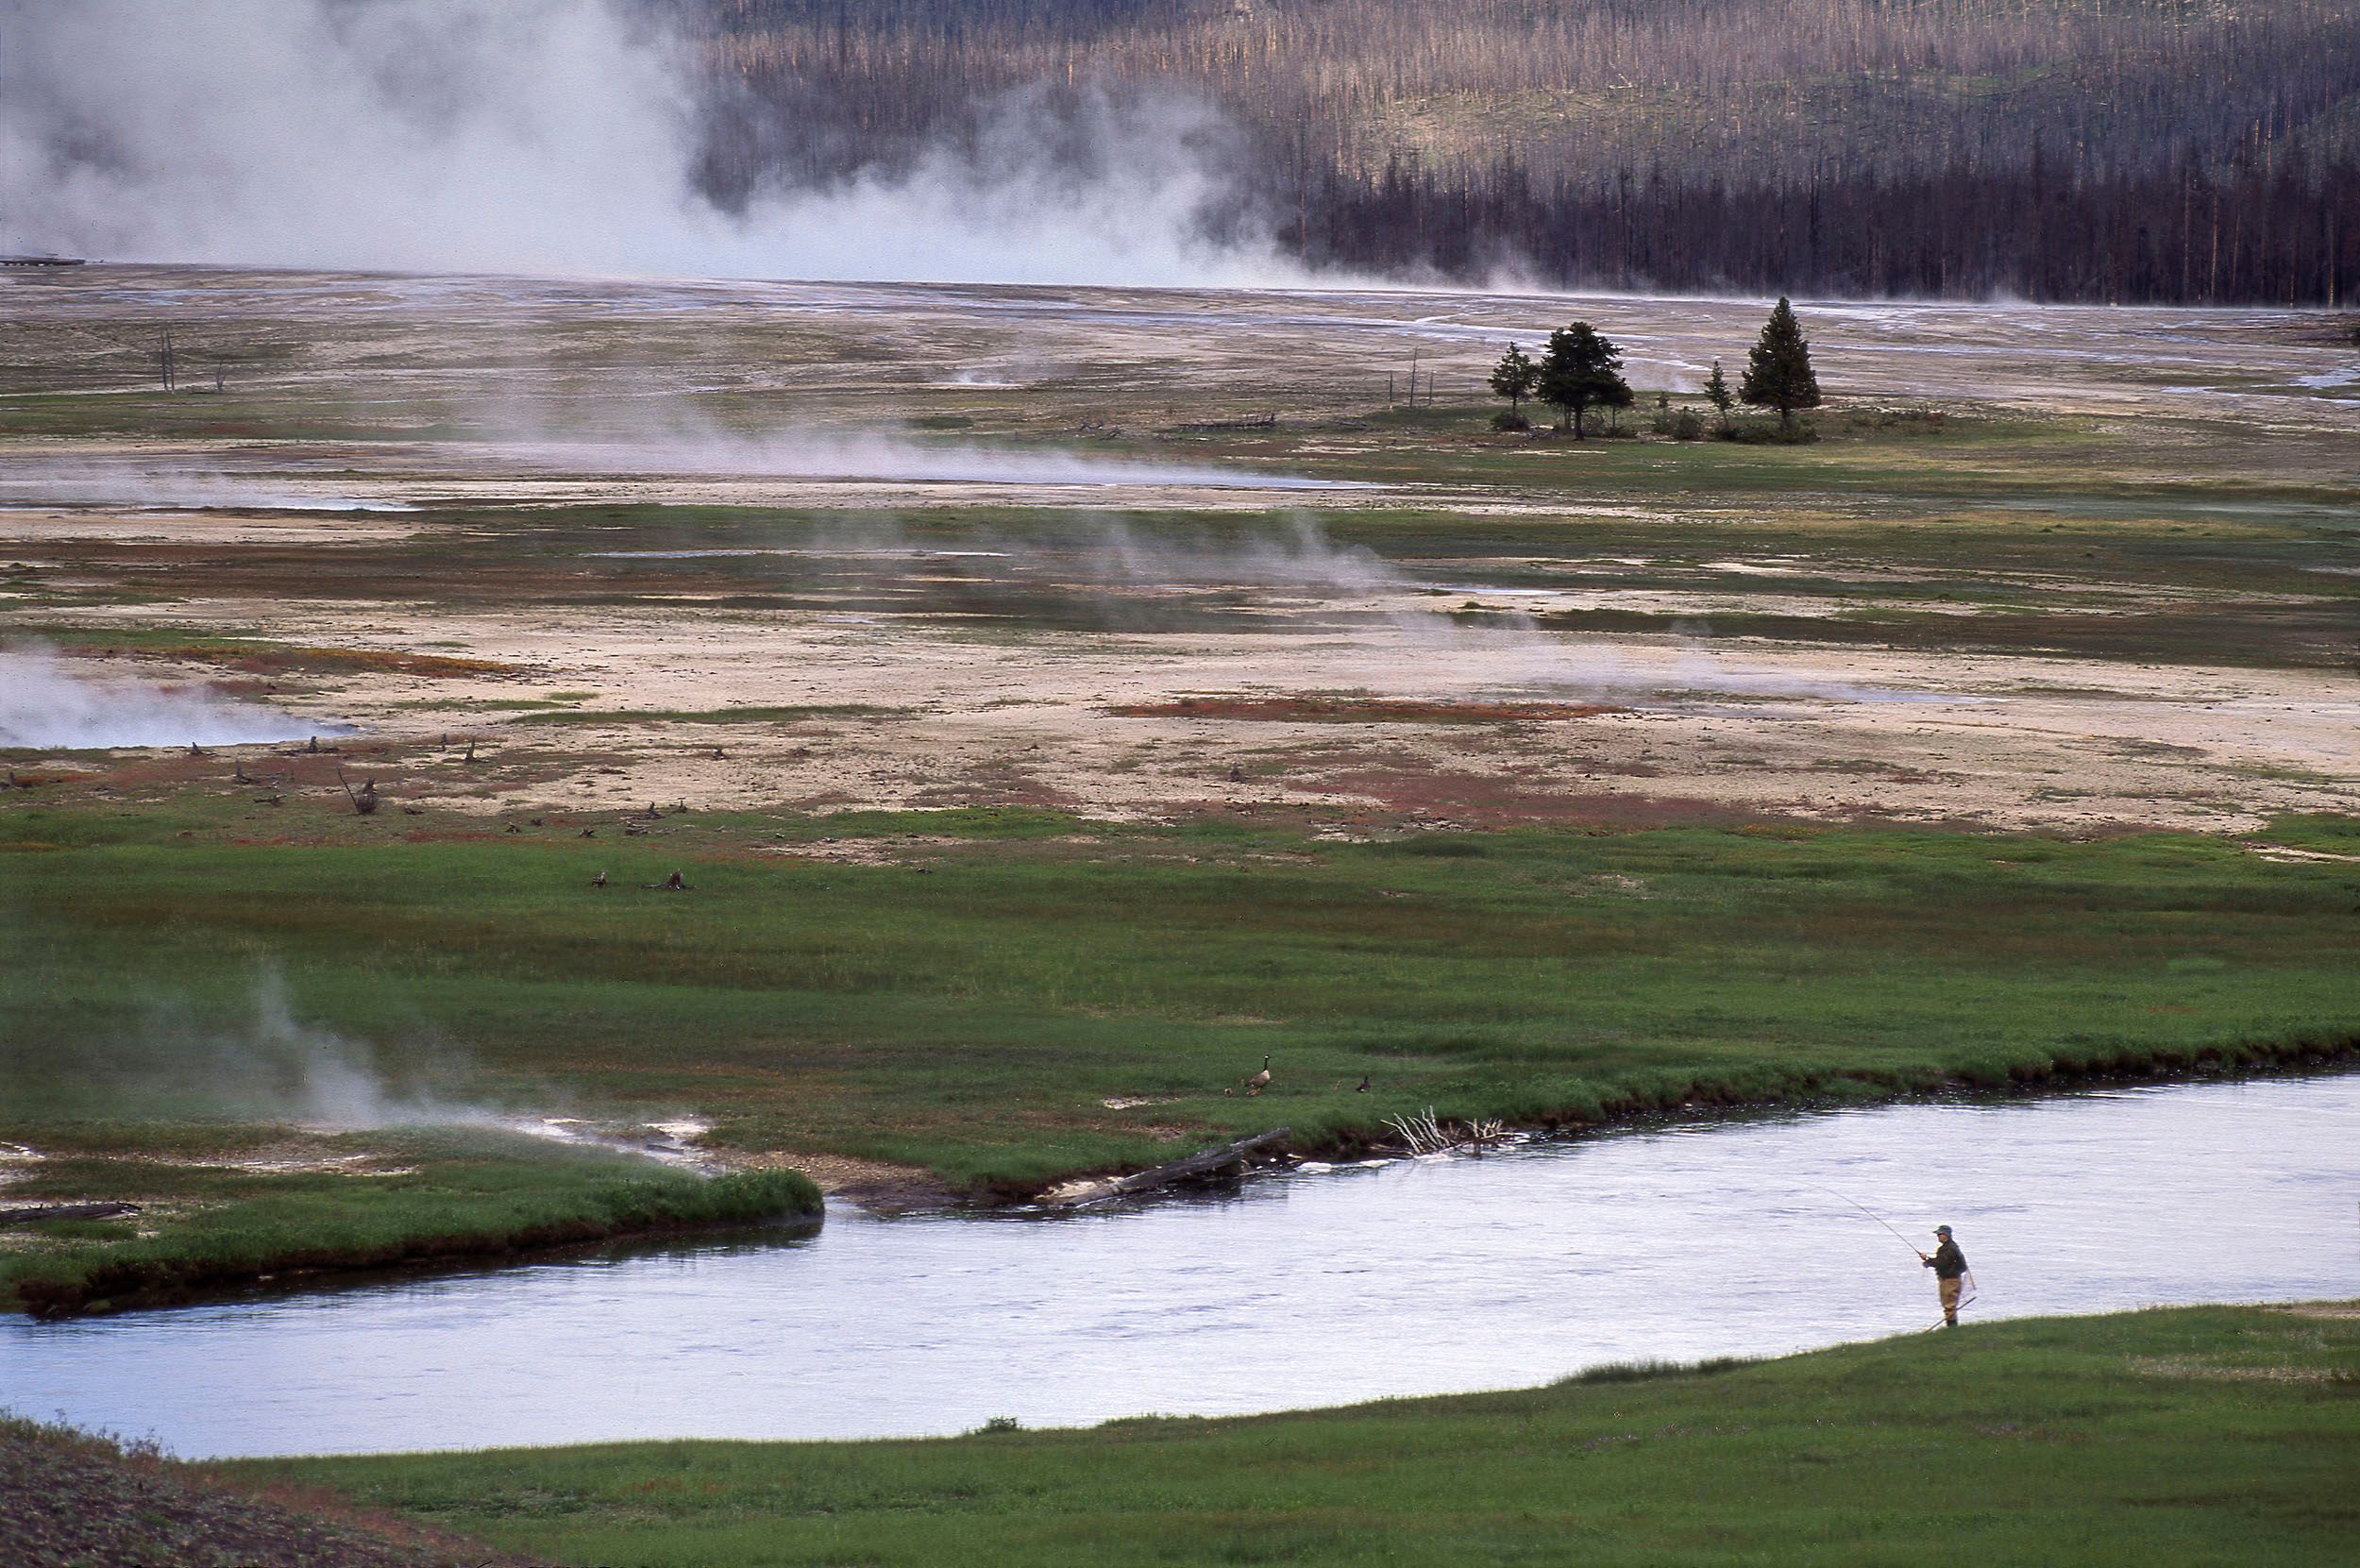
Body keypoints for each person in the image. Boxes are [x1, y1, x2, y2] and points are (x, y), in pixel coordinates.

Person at [1920, 1225, 1968, 1326]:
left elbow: (1942, 1263)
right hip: (1949, 1279)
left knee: (1949, 1305)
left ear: (1945, 1235)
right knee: (1948, 1304)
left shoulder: (1949, 1248)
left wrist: (1928, 1260)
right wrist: (1928, 1260)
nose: (1938, 1237)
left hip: (1950, 1280)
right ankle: (1952, 1328)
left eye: (1939, 1234)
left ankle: (1952, 1329)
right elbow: (1942, 1261)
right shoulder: (1949, 1247)